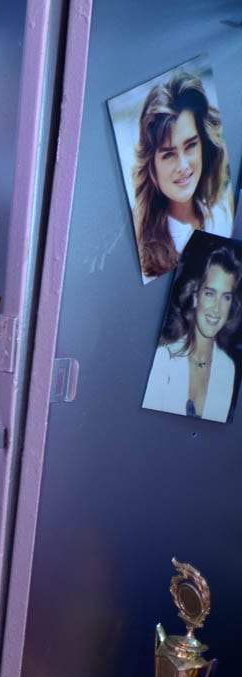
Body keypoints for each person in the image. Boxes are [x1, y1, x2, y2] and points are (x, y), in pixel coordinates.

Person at [131, 72, 233, 281]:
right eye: (168, 154)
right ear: (152, 166)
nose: (183, 166)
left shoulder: (222, 214)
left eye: (191, 145)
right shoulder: (142, 255)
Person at [143, 245, 241, 422]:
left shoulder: (228, 368)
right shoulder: (164, 357)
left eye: (226, 297)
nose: (217, 308)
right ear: (196, 297)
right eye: (210, 293)